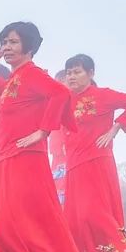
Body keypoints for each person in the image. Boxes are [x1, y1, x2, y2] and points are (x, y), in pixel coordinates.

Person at [0, 22, 90, 252]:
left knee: (31, 222)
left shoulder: (32, 75)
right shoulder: (15, 78)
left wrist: (43, 131)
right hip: (5, 156)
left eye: (13, 42)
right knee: (4, 225)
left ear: (28, 46)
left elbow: (61, 94)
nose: (7, 47)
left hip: (27, 158)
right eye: (4, 42)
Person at [62, 54, 126, 252]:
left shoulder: (103, 95)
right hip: (74, 163)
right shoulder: (64, 99)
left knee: (94, 211)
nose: (72, 76)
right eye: (69, 72)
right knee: (77, 218)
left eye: (77, 71)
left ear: (91, 73)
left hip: (97, 160)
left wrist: (117, 127)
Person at [50, 69, 70, 205]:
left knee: (63, 186)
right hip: (56, 152)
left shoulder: (69, 101)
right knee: (55, 186)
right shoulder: (56, 102)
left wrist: (65, 143)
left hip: (65, 152)